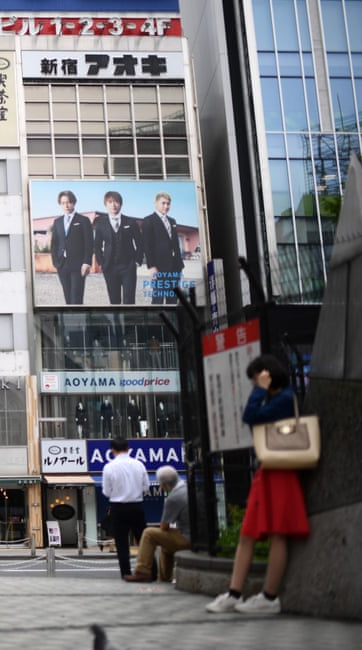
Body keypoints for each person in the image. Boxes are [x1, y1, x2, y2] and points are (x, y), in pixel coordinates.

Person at [206, 354, 310, 615]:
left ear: (267, 374)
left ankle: (268, 596)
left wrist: (261, 390)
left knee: (276, 533)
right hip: (270, 471)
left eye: (256, 379)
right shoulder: (279, 398)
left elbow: (251, 416)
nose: (254, 384)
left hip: (281, 470)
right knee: (248, 533)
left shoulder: (285, 398)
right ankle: (235, 592)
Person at [124, 465, 191, 582]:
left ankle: (142, 571)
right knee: (166, 545)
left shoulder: (173, 498)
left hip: (187, 538)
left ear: (164, 484)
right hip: (199, 537)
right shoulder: (188, 489)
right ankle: (164, 579)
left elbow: (164, 527)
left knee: (148, 533)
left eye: (159, 483)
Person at [102, 437, 149, 579]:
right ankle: (151, 571)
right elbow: (146, 487)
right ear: (128, 449)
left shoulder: (109, 467)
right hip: (136, 505)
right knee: (144, 541)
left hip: (118, 507)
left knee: (121, 543)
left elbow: (106, 492)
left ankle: (126, 573)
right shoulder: (139, 464)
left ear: (112, 450)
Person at [92, 190, 143, 304]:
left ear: (120, 204)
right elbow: (97, 245)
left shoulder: (131, 222)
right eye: (110, 202)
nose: (113, 205)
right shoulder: (101, 224)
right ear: (106, 204)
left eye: (116, 202)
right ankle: (117, 322)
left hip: (128, 266)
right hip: (109, 267)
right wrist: (101, 263)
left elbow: (140, 244)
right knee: (114, 300)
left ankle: (129, 322)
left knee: (129, 300)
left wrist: (137, 262)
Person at [48, 190, 92, 304]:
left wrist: (86, 263)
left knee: (76, 298)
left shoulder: (83, 220)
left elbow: (89, 243)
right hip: (62, 265)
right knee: (67, 298)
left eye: (69, 202)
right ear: (60, 204)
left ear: (74, 203)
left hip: (78, 265)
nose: (66, 205)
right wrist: (56, 262)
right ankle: (69, 321)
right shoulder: (57, 222)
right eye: (63, 203)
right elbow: (54, 244)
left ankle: (79, 321)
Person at [142, 192, 185, 305]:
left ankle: (171, 322)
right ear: (156, 203)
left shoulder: (172, 221)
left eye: (168, 204)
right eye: (163, 203)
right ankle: (156, 322)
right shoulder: (148, 220)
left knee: (173, 298)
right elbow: (147, 245)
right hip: (158, 267)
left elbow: (175, 244)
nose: (166, 206)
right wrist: (151, 266)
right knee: (158, 298)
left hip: (175, 267)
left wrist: (180, 265)